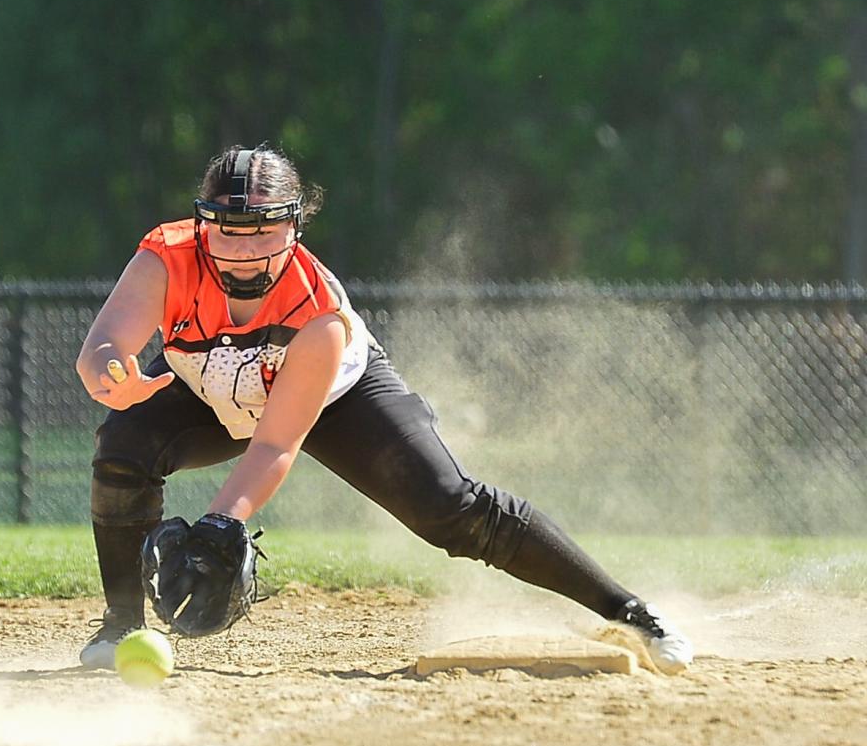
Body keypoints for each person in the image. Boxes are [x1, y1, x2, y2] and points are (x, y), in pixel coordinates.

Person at [75, 144, 694, 673]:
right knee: (123, 447)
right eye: (226, 229)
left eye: (262, 228)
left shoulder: (317, 314)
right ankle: (121, 626)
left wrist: (219, 524)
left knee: (451, 510)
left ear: (295, 226)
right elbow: (102, 348)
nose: (241, 248)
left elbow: (273, 444)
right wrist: (112, 376)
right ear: (202, 224)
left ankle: (631, 612)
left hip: (333, 397)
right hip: (206, 385)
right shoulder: (168, 259)